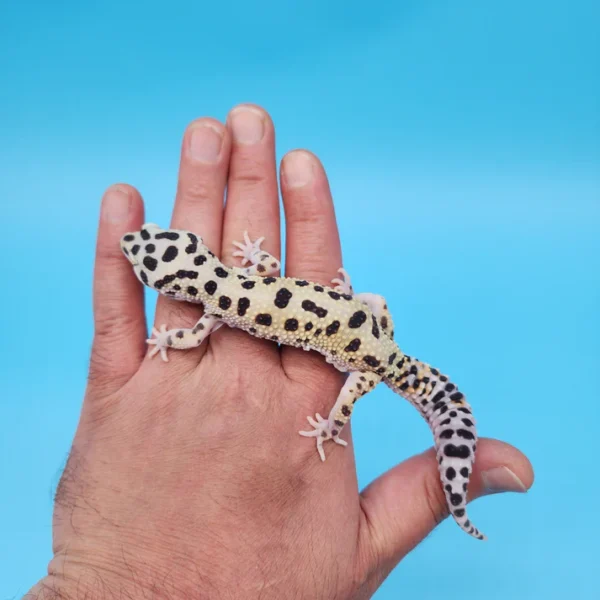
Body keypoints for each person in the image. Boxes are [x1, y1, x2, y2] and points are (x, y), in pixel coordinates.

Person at [27, 105, 533, 599]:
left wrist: (331, 425)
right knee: (371, 304)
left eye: (154, 246)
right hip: (367, 321)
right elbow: (266, 265)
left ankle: (333, 423)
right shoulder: (230, 281)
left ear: (184, 274)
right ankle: (367, 372)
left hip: (366, 358)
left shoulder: (214, 308)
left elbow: (191, 336)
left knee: (343, 397)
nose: (144, 242)